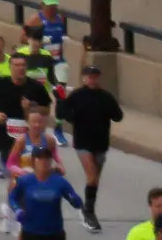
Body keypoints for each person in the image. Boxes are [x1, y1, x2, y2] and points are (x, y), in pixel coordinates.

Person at [55, 64, 123, 232]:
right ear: (83, 78)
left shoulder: (106, 97)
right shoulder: (77, 95)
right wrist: (60, 100)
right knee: (92, 177)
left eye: (95, 76)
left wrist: (111, 110)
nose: (92, 79)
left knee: (94, 181)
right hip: (82, 143)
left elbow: (118, 116)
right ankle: (90, 213)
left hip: (100, 144)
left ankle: (87, 207)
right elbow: (63, 114)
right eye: (89, 76)